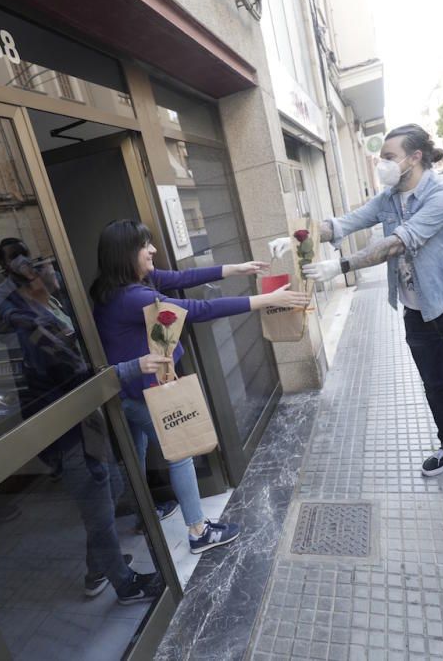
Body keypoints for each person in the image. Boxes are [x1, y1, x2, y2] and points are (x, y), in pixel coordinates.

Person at [276, 124, 443, 476]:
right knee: (433, 382)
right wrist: (296, 235)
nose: (382, 165)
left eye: (389, 157)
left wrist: (340, 266)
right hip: (417, 311)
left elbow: (398, 242)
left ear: (415, 157)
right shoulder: (389, 197)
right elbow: (344, 223)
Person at [91, 219, 309, 554]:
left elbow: (179, 278)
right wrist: (262, 301)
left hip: (126, 392)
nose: (152, 250)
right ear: (125, 254)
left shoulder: (112, 287)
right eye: (144, 246)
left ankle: (141, 515)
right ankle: (198, 531)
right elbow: (195, 310)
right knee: (181, 453)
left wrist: (233, 269)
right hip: (144, 393)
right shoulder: (134, 298)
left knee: (135, 458)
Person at [0, 238, 168, 604]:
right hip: (65, 426)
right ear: (28, 276)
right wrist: (133, 366)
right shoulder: (29, 323)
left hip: (84, 418)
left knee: (112, 487)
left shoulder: (54, 304)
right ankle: (123, 583)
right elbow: (77, 372)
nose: (53, 271)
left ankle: (100, 566)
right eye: (44, 266)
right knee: (98, 504)